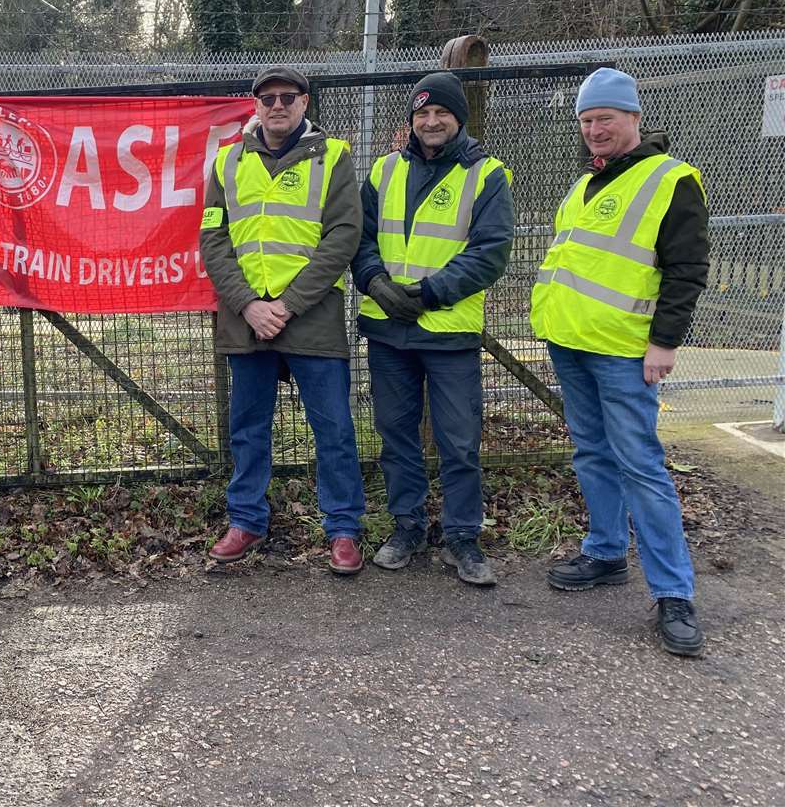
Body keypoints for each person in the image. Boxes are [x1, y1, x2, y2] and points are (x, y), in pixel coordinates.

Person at [532, 68, 709, 656]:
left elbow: (685, 270)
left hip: (625, 351)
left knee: (642, 464)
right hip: (572, 342)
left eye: (605, 117)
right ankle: (606, 551)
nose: (594, 129)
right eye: (585, 120)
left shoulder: (671, 180)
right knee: (591, 451)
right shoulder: (588, 184)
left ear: (634, 117)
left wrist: (665, 342)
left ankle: (673, 593)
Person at [199, 66, 368, 573]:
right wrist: (249, 303)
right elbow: (213, 237)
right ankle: (245, 519)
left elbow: (343, 236)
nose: (277, 105)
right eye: (267, 97)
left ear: (304, 102)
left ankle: (343, 528)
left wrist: (288, 303)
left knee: (334, 427)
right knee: (248, 426)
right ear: (255, 105)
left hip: (311, 316)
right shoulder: (228, 161)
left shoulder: (333, 157)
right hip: (245, 317)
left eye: (287, 97)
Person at [351, 72, 514, 586]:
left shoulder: (486, 175)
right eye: (422, 113)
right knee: (396, 435)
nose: (431, 121)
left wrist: (426, 294)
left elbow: (490, 253)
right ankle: (408, 526)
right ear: (411, 120)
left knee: (459, 441)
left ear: (458, 118)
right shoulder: (383, 170)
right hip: (387, 331)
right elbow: (360, 237)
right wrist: (375, 282)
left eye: (440, 112)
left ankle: (463, 536)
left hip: (447, 332)